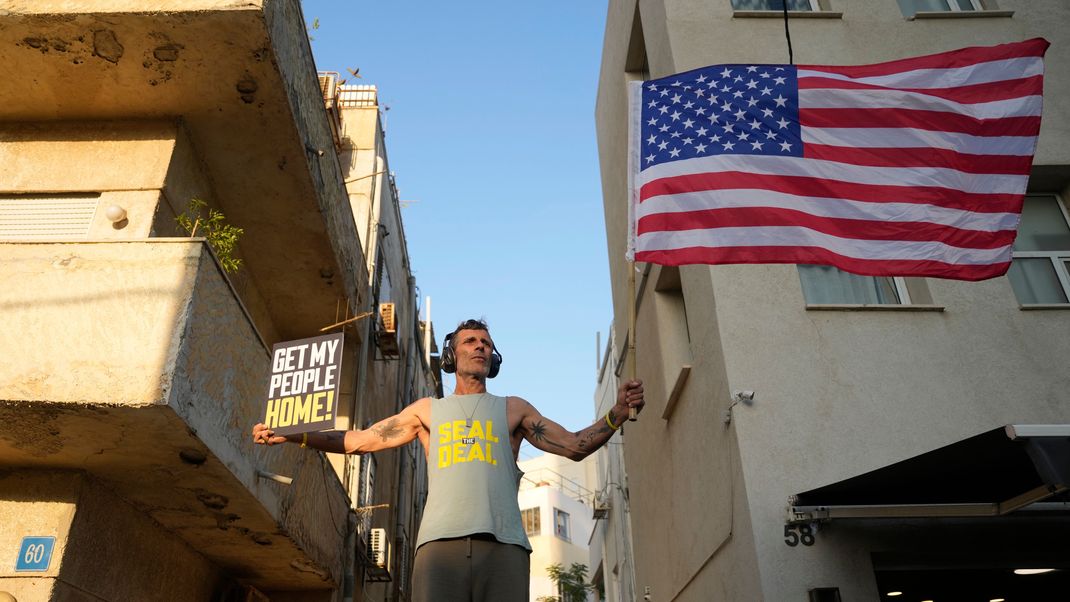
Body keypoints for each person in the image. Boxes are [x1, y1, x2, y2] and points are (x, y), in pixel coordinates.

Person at [252, 318, 645, 602]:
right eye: (470, 341)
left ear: (494, 358)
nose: (479, 347)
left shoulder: (513, 410)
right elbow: (359, 440)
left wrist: (617, 413)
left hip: (504, 547)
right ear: (452, 355)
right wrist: (292, 434)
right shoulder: (426, 411)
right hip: (439, 548)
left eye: (486, 343)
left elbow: (575, 446)